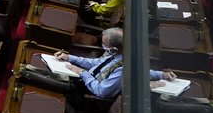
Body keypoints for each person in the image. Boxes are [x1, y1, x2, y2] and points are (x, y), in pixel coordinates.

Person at [21, 28, 175, 99]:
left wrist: (82, 72)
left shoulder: (123, 68)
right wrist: (70, 58)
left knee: (27, 75)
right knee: (45, 66)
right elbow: (95, 63)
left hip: (82, 92)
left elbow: (101, 91)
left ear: (114, 48)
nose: (103, 48)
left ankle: (24, 72)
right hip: (81, 78)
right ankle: (28, 69)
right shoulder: (116, 54)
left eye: (104, 45)